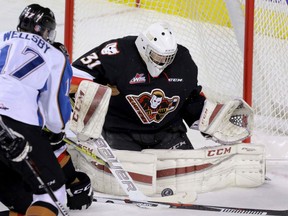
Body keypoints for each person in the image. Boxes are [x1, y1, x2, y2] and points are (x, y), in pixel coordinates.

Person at [0, 4, 91, 216]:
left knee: (24, 203)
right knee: (52, 194)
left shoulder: (2, 37)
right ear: (47, 31)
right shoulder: (54, 55)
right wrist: (55, 132)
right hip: (16, 122)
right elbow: (55, 118)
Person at [71, 21, 206, 151]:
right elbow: (74, 76)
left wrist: (205, 119)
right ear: (144, 47)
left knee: (183, 173)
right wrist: (98, 93)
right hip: (120, 131)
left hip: (167, 131)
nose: (163, 62)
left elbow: (190, 97)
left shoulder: (183, 61)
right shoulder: (118, 52)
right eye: (158, 56)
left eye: (168, 57)